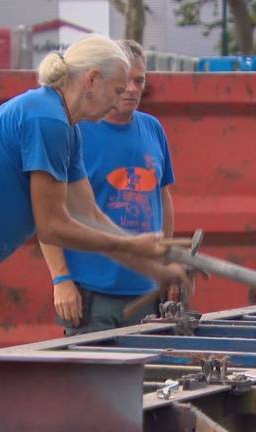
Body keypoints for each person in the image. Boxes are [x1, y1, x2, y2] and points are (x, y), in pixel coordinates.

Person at [0, 35, 185, 287]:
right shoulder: (47, 119)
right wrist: (131, 244)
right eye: (117, 90)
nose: (119, 99)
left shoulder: (69, 129)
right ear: (92, 79)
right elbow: (51, 226)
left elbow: (90, 216)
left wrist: (155, 270)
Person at [38, 40, 180, 334]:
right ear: (97, 80)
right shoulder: (68, 128)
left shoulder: (152, 129)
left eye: (139, 81)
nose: (130, 90)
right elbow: (47, 217)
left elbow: (160, 200)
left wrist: (162, 267)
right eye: (122, 84)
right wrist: (61, 279)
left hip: (143, 293)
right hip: (93, 294)